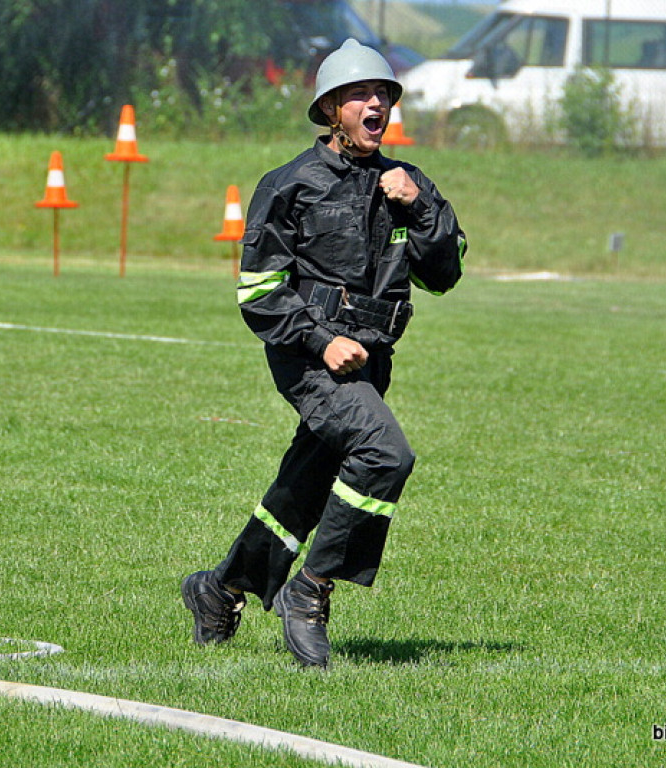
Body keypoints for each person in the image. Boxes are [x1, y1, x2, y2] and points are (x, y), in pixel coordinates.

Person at [181, 39, 466, 668]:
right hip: (309, 357)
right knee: (385, 454)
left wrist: (420, 210)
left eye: (383, 95)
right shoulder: (290, 186)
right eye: (361, 95)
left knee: (307, 484)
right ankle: (309, 592)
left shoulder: (408, 184)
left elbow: (444, 273)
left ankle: (218, 590)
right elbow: (258, 293)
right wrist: (321, 339)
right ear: (332, 108)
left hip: (373, 360)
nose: (376, 104)